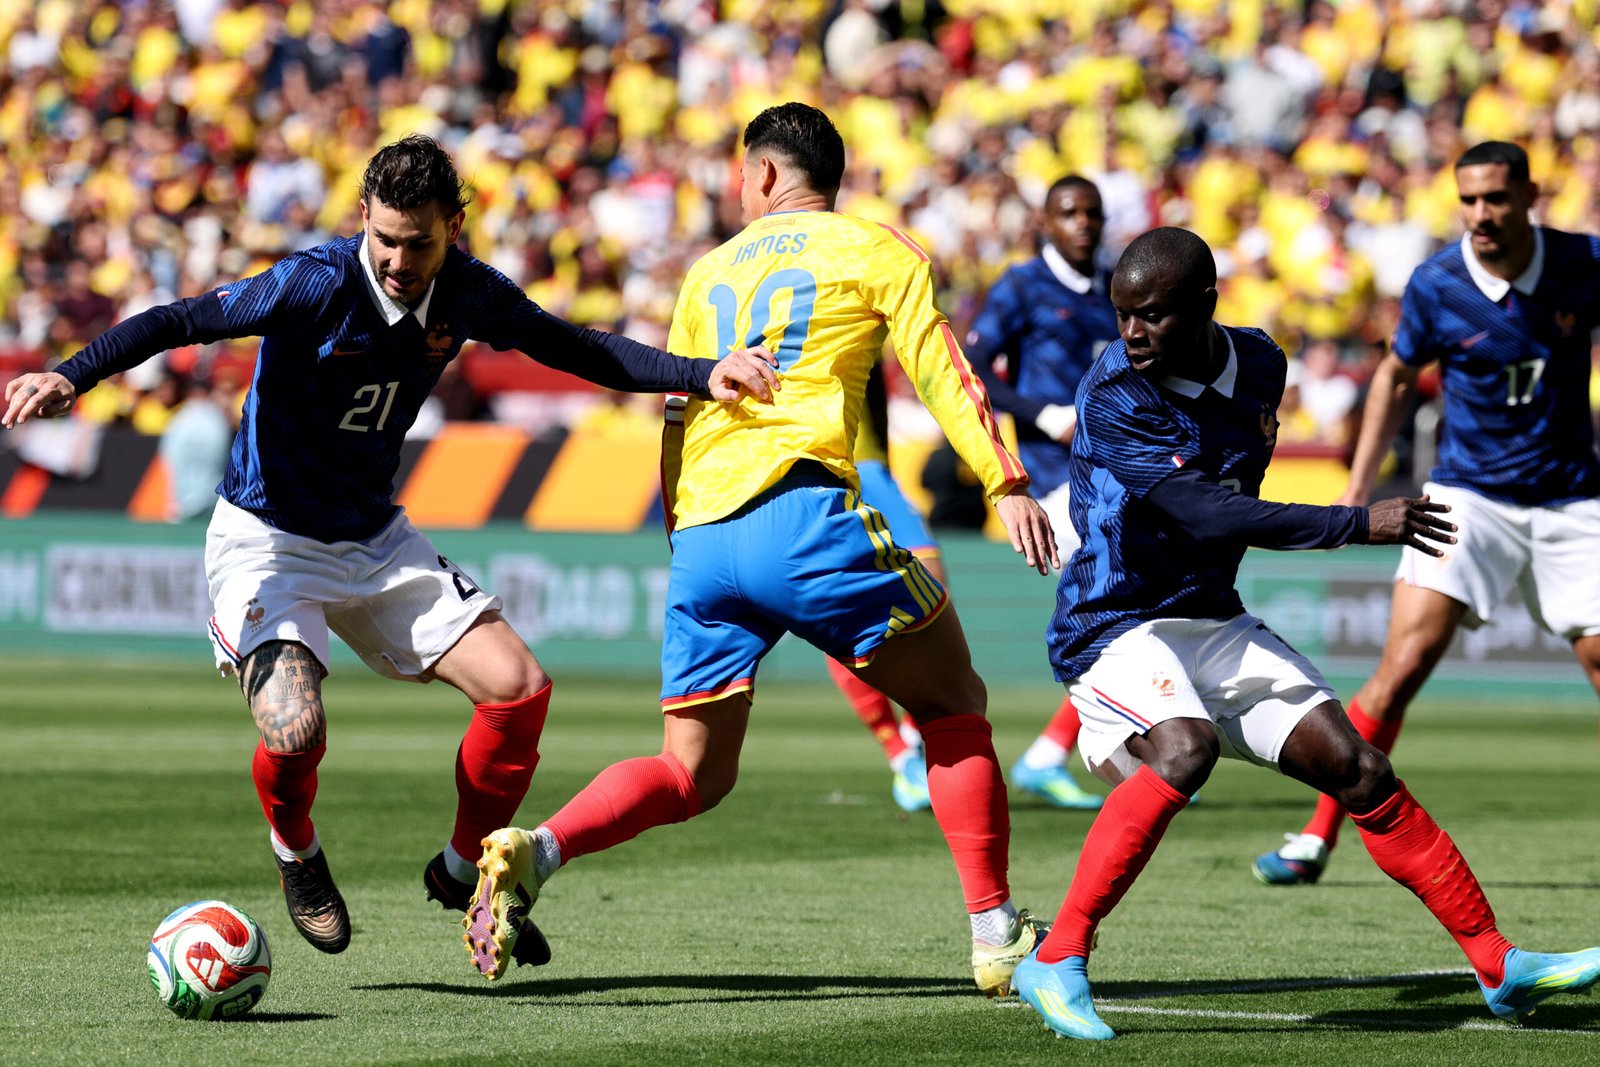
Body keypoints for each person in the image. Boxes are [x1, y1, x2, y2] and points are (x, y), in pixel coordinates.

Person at [0, 134, 778, 958]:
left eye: (422, 242)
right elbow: (183, 319)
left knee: (519, 690)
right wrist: (72, 374)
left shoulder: (468, 292)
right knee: (295, 729)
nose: (402, 261)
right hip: (267, 537)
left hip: (373, 535)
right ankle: (295, 847)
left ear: (456, 225)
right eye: (387, 240)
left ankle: (461, 868)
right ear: (363, 218)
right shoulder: (313, 282)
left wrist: (699, 372)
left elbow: (577, 347)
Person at [461, 103, 1060, 997]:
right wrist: (1003, 480)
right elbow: (942, 364)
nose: (738, 189)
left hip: (704, 540)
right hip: (804, 512)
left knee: (690, 770)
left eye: (742, 174)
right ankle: (996, 932)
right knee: (953, 701)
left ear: (769, 175)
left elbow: (677, 403)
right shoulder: (873, 248)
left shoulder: (706, 275)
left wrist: (681, 533)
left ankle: (536, 847)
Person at [1010, 226, 1600, 1041]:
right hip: (1111, 623)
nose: (1131, 334)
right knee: (1185, 749)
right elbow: (1208, 507)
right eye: (1122, 315)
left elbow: (1228, 498)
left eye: (1151, 316)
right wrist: (1358, 521)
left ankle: (1498, 963)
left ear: (1206, 306)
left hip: (1210, 614)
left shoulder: (1262, 364)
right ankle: (1057, 957)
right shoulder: (1113, 392)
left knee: (1358, 766)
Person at [1253, 140, 1600, 886]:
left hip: (1574, 498)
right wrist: (1356, 485)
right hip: (1467, 496)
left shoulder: (1584, 261)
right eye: (1469, 200)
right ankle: (1315, 837)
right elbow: (1396, 376)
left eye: (1496, 199)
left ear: (1530, 196)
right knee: (1402, 665)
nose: (1481, 214)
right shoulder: (1437, 282)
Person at [968, 175, 1119, 811]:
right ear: (1045, 222)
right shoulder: (1022, 285)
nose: (1083, 223)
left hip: (1110, 473)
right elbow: (970, 368)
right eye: (1069, 213)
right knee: (1115, 602)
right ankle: (1083, 751)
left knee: (1123, 608)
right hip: (1054, 480)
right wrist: (1042, 412)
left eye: (1092, 213)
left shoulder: (1114, 287)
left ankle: (1054, 754)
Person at [827, 360, 936, 814]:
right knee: (838, 621)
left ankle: (916, 731)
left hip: (873, 469)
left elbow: (872, 397)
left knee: (931, 590)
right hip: (822, 470)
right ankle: (900, 752)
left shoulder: (857, 301)